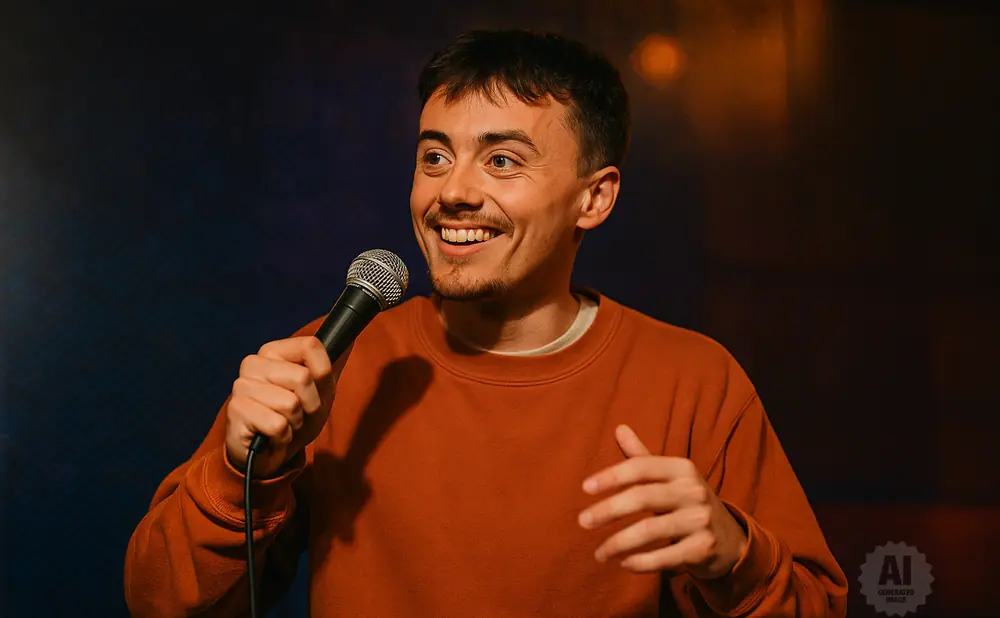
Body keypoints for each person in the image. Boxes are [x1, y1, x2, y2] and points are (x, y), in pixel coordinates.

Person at [124, 29, 848, 617]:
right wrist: (240, 468)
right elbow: (160, 602)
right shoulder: (333, 356)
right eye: (434, 156)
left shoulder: (692, 377)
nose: (453, 192)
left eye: (502, 160)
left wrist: (733, 557)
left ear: (593, 200)